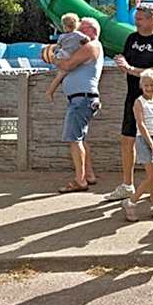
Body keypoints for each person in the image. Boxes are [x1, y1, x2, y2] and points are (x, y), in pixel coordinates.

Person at [106, 3, 153, 203]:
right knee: (127, 139)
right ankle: (127, 184)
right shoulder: (131, 38)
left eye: (140, 18)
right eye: (136, 18)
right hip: (133, 97)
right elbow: (128, 63)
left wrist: (130, 68)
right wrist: (123, 64)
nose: (136, 22)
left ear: (152, 19)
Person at [54, 17, 103, 193]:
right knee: (80, 138)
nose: (77, 34)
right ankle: (88, 175)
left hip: (81, 99)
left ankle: (80, 180)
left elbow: (67, 64)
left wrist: (54, 58)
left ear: (92, 31)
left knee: (75, 140)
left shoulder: (92, 46)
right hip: (82, 98)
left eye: (81, 30)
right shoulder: (87, 46)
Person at [119, 69, 153, 222]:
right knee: (151, 176)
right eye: (146, 85)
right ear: (142, 86)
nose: (149, 88)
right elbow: (140, 124)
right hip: (144, 140)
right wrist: (151, 143)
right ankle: (131, 202)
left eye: (152, 85)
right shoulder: (139, 102)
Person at [46, 13, 91, 101]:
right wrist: (81, 44)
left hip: (63, 54)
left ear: (64, 26)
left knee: (61, 73)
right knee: (64, 72)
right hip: (71, 55)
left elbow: (59, 46)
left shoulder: (62, 36)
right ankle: (50, 92)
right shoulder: (78, 35)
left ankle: (50, 91)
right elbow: (88, 40)